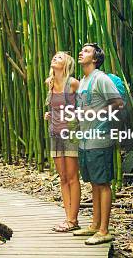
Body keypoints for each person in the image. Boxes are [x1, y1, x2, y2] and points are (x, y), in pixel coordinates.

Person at [72, 43, 123, 245]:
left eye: (86, 51)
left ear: (95, 58)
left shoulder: (100, 78)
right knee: (94, 182)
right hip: (86, 138)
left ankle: (104, 230)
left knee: (102, 183)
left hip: (100, 137)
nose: (81, 52)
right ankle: (94, 225)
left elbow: (118, 103)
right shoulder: (84, 80)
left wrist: (96, 114)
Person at [44, 52, 81, 232]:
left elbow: (85, 107)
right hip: (55, 135)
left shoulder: (72, 83)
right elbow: (55, 107)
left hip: (71, 135)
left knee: (73, 178)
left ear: (66, 64)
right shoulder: (49, 83)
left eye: (59, 57)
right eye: (54, 56)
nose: (55, 58)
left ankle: (73, 220)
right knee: (63, 177)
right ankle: (67, 218)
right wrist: (49, 115)